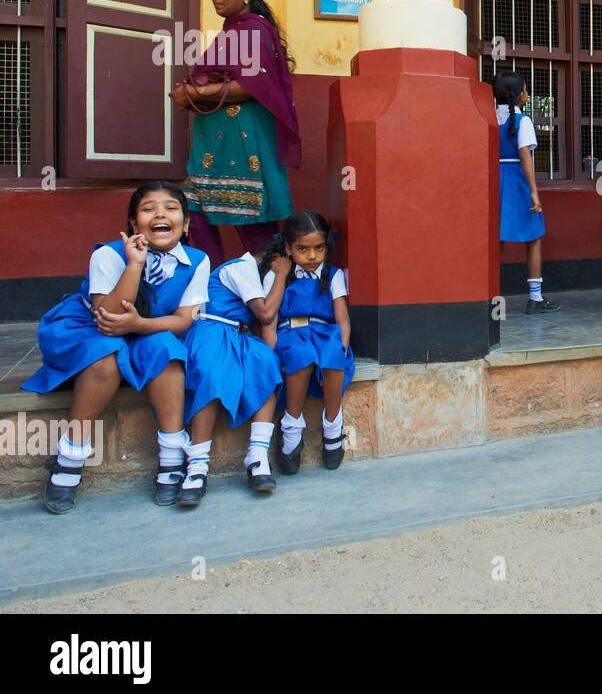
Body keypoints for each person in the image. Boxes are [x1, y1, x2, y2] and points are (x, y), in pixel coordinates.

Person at [22, 182, 209, 513]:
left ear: (187, 223)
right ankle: (71, 455)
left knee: (168, 352)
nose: (161, 214)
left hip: (142, 328)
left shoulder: (198, 260)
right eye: (149, 209)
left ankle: (170, 457)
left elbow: (183, 320)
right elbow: (107, 318)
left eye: (171, 208)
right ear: (135, 225)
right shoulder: (108, 255)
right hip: (90, 327)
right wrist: (134, 265)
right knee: (105, 358)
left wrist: (139, 326)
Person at [171, 0, 300, 267]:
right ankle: (212, 284)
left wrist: (194, 94)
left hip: (243, 140)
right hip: (217, 142)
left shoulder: (252, 28)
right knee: (193, 207)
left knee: (252, 220)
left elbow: (255, 85)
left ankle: (273, 292)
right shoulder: (236, 28)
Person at [179, 242, 290, 505]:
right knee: (212, 376)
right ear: (271, 258)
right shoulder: (242, 267)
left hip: (236, 335)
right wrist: (282, 274)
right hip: (209, 332)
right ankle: (197, 465)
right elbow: (264, 313)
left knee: (267, 365)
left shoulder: (256, 275)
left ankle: (258, 454)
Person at [274, 212, 354, 475]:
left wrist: (342, 347)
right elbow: (267, 317)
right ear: (288, 248)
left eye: (319, 248)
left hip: (324, 333)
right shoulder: (280, 274)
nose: (311, 256)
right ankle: (291, 425)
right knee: (300, 355)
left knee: (333, 354)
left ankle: (332, 424)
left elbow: (342, 319)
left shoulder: (333, 276)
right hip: (290, 334)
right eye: (302, 249)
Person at [494, 71, 557, 313]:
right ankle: (535, 298)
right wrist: (534, 192)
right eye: (526, 89)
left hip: (494, 180)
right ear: (520, 95)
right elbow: (524, 156)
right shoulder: (523, 121)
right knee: (533, 238)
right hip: (518, 181)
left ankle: (491, 295)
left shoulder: (488, 118)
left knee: (496, 240)